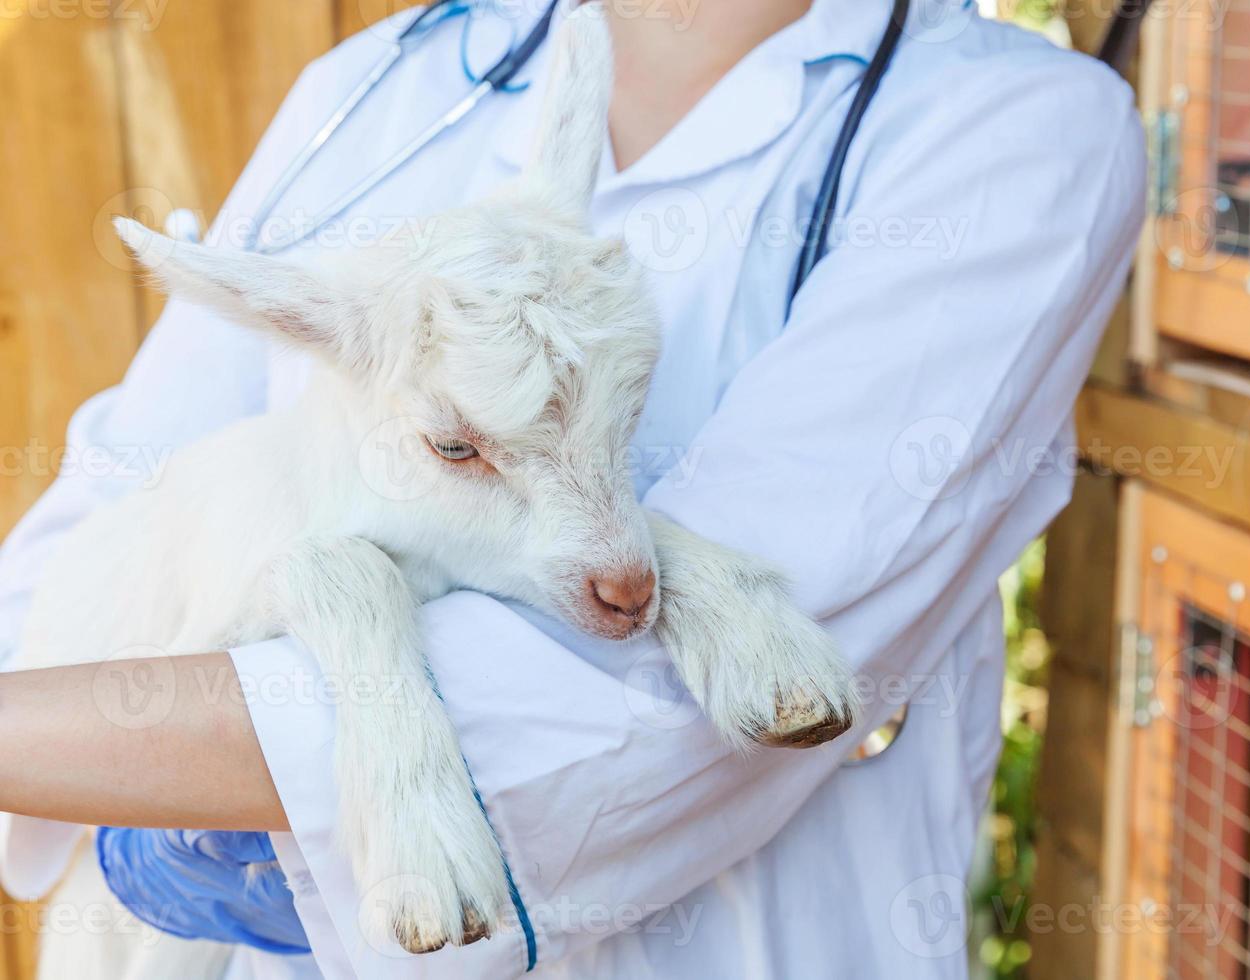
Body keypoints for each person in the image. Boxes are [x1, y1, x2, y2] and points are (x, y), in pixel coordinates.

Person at [0, 0, 1145, 976]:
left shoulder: (1008, 131)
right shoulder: (378, 81)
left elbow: (641, 709)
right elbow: (99, 525)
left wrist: (110, 733)